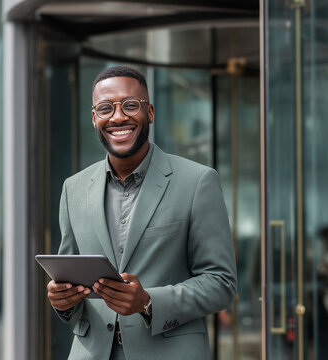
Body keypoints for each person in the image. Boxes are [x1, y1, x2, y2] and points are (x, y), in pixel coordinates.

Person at [46, 66, 237, 359]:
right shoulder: (74, 188)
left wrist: (148, 302)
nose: (118, 117)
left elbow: (221, 283)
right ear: (95, 118)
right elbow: (72, 276)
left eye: (130, 105)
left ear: (150, 112)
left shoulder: (197, 181)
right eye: (106, 108)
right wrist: (63, 299)